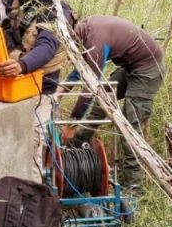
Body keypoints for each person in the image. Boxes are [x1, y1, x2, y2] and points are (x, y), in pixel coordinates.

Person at [0, 0, 75, 181]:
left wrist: (21, 65)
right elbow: (7, 32)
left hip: (41, 88)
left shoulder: (56, 9)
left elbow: (47, 47)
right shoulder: (19, 2)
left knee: (32, 145)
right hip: (14, 86)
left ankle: (33, 200)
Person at [69, 16, 165, 193]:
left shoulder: (95, 44)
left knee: (129, 126)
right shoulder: (85, 29)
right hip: (130, 67)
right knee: (102, 100)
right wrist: (61, 92)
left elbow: (90, 86)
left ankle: (134, 184)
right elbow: (80, 69)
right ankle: (77, 142)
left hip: (148, 70)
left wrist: (72, 121)